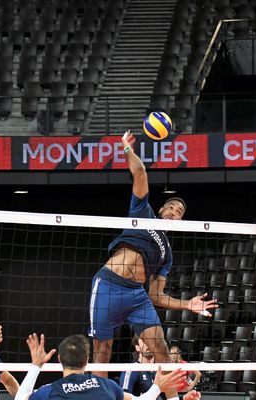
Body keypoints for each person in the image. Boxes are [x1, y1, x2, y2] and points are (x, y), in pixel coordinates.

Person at [89, 131, 217, 400]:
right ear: (161, 211)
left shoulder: (167, 253)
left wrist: (187, 304)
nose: (173, 212)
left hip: (137, 297)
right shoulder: (142, 213)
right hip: (109, 285)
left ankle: (171, 399)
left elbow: (156, 296)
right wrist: (126, 150)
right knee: (102, 351)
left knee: (160, 347)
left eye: (179, 212)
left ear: (181, 222)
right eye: (170, 208)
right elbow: (141, 174)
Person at [18, 334, 200, 400]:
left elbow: (19, 399)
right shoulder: (106, 385)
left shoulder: (48, 392)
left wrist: (36, 365)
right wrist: (157, 387)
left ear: (59, 359)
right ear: (87, 360)